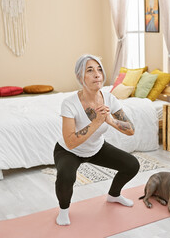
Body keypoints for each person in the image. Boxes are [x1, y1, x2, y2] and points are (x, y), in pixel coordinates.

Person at [54, 54, 140, 226]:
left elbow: (131, 129)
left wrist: (111, 120)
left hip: (96, 148)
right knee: (66, 175)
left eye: (99, 69)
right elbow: (70, 141)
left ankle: (114, 195)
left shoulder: (109, 99)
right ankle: (63, 210)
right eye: (90, 70)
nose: (97, 74)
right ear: (80, 76)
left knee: (132, 165)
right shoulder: (69, 103)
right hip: (69, 151)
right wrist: (97, 122)